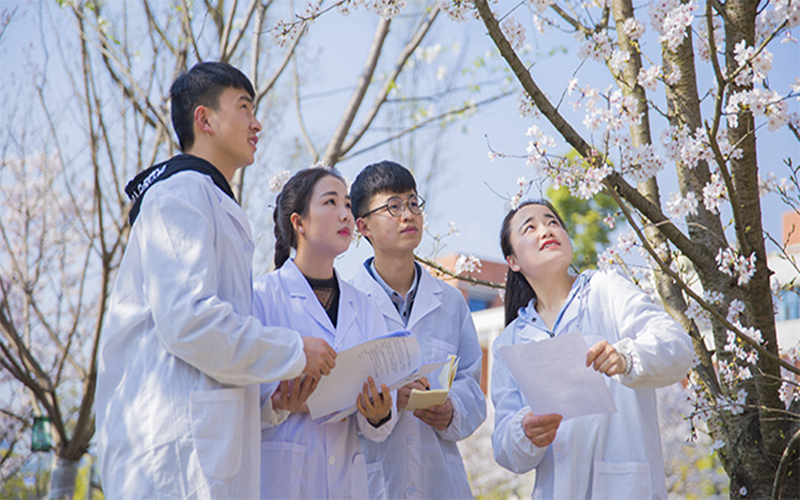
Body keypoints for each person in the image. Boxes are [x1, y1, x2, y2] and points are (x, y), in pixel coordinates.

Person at [94, 62, 336, 498]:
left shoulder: (211, 200)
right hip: (171, 457)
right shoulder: (180, 193)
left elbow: (213, 361)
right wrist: (293, 349)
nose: (257, 123)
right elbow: (189, 321)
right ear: (204, 119)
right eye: (244, 107)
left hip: (200, 451)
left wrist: (271, 404)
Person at [491, 199, 694, 499]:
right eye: (529, 228)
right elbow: (504, 447)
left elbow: (678, 346)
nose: (546, 230)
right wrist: (525, 432)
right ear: (513, 262)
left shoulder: (605, 289)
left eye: (552, 222)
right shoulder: (509, 341)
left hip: (624, 488)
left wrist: (626, 357)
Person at [254, 166, 397, 499]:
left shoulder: (364, 307)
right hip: (279, 480)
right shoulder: (261, 297)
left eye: (348, 205)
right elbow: (241, 396)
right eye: (331, 203)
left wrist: (379, 413)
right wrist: (278, 404)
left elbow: (376, 426)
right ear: (298, 222)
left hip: (346, 481)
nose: (345, 214)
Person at [349, 160, 486, 499]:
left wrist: (451, 409)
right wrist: (386, 404)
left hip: (441, 483)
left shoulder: (451, 302)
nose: (408, 215)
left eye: (413, 203)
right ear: (363, 226)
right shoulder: (348, 304)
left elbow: (472, 387)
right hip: (372, 484)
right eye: (392, 206)